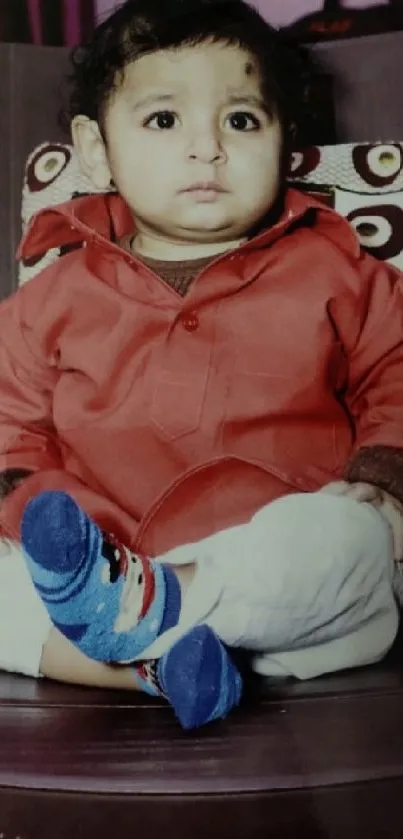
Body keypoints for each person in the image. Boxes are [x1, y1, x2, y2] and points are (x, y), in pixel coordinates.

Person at [0, 0, 403, 729]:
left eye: (241, 120)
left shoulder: (337, 267)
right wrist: (45, 521)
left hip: (276, 566)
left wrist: (383, 479)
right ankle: (158, 664)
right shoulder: (52, 295)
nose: (208, 148)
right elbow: (9, 425)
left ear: (284, 138)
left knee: (353, 541)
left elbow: (396, 371)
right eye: (163, 120)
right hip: (103, 550)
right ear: (95, 150)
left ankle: (154, 624)